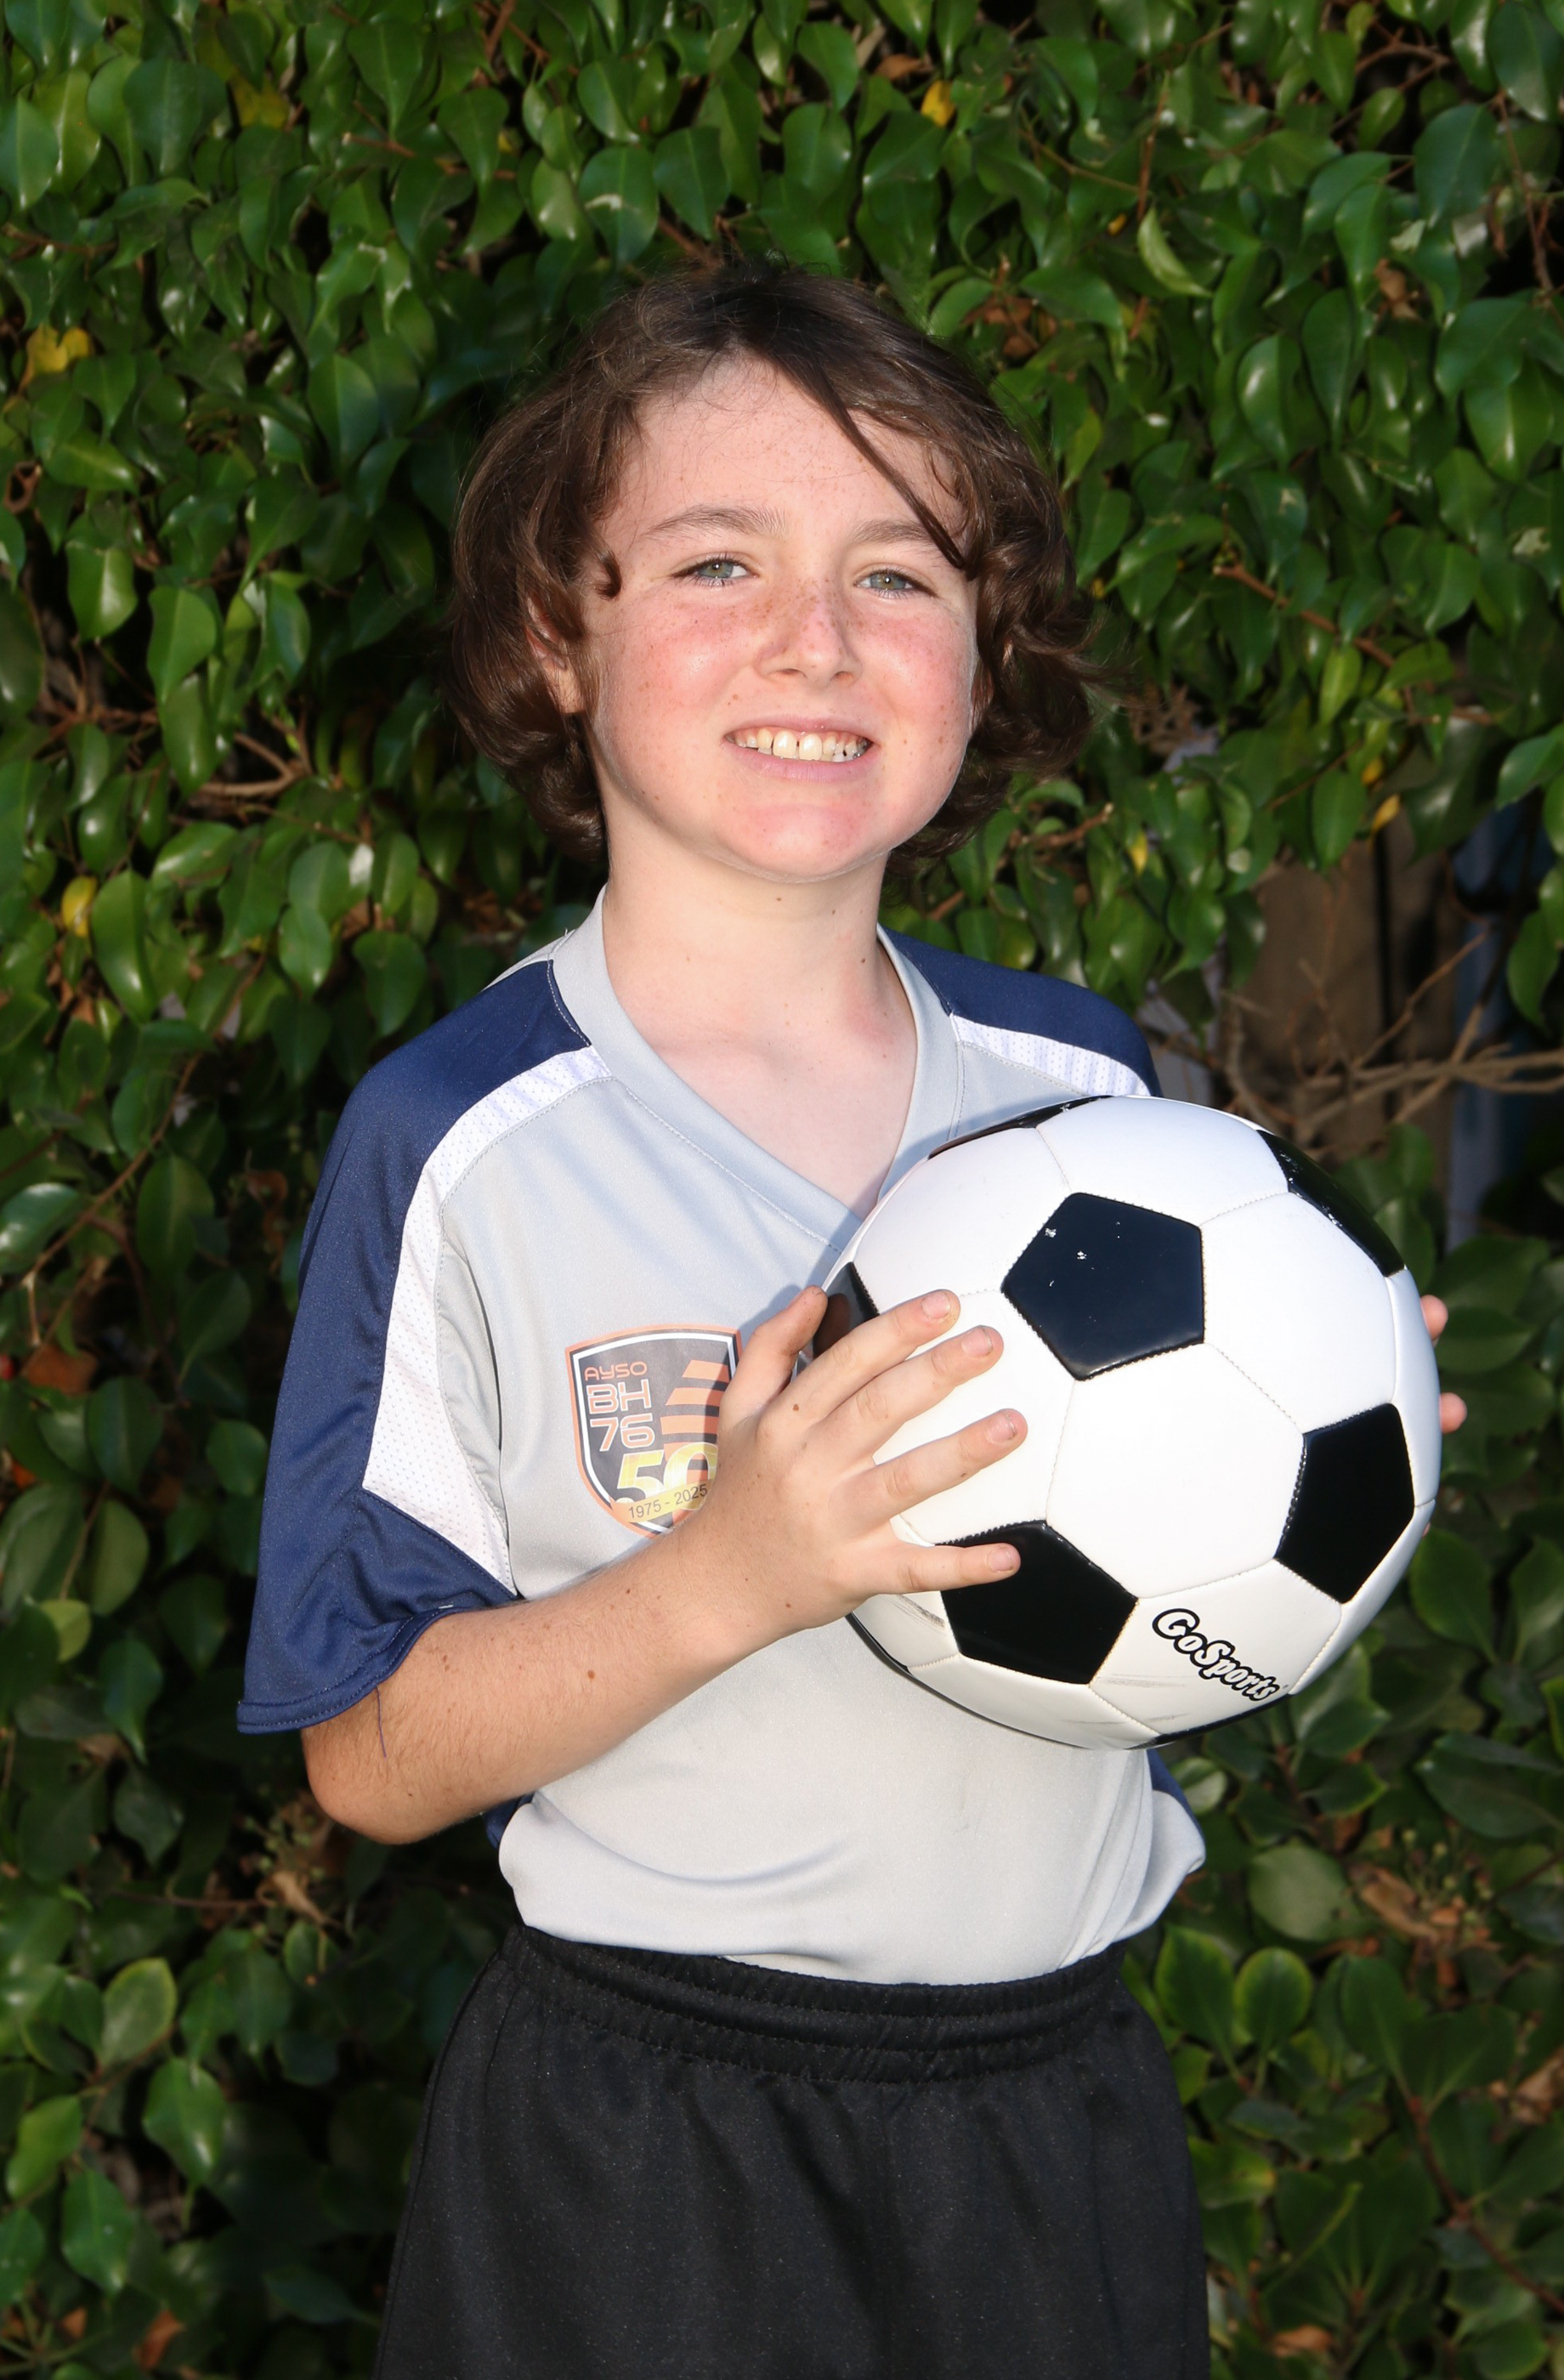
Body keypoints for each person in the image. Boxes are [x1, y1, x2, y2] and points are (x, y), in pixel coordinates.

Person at [240, 265, 1464, 2380]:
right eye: (719, 561)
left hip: (1050, 2111)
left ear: (985, 652)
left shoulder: (1087, 1092)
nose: (815, 637)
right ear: (558, 630)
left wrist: (1318, 1456)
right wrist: (734, 1569)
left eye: (898, 572)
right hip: (646, 2143)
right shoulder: (464, 1140)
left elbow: (1141, 1587)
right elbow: (367, 1755)